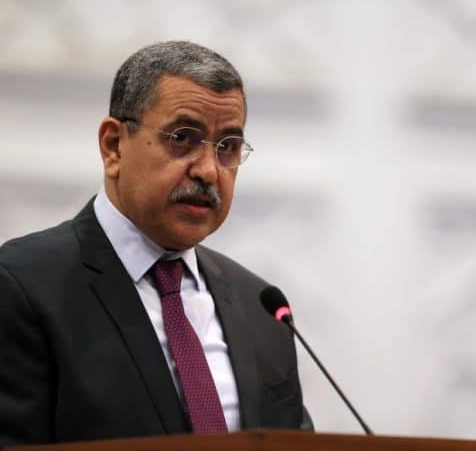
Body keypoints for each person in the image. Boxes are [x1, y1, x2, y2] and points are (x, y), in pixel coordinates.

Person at [0, 41, 312, 446]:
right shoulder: (22, 287)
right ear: (113, 145)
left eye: (228, 147)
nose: (208, 171)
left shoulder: (262, 307)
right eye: (182, 138)